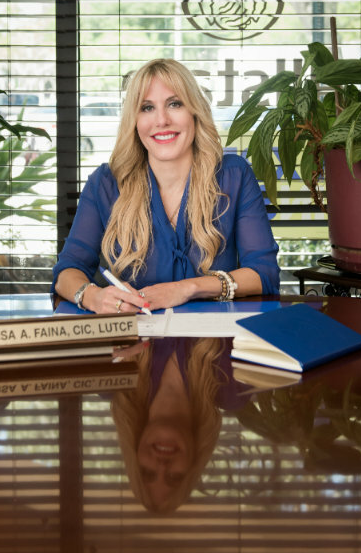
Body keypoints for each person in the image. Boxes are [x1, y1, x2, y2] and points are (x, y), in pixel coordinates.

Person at [52, 58, 280, 313]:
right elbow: (67, 271)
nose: (161, 120)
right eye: (147, 107)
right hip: (136, 334)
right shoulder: (105, 184)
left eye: (174, 104)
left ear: (194, 111)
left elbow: (264, 273)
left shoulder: (233, 176)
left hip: (214, 335)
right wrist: (93, 297)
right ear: (134, 120)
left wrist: (187, 288)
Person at [110, 336, 248, 514]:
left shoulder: (114, 376)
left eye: (148, 472)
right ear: (193, 464)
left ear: (134, 456)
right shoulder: (231, 389)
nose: (162, 465)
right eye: (174, 476)